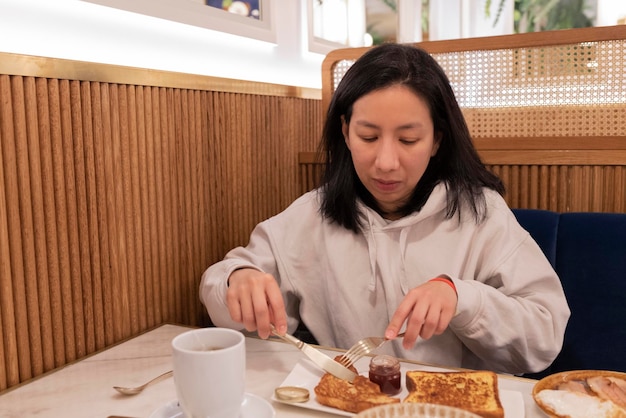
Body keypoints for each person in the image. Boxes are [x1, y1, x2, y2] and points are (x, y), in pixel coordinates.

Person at [200, 43, 570, 375]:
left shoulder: (480, 214)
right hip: (352, 402)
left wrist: (463, 298)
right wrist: (239, 278)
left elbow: (544, 336)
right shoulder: (313, 214)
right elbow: (223, 291)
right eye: (369, 137)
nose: (386, 162)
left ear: (437, 139)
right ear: (345, 133)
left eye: (408, 139)